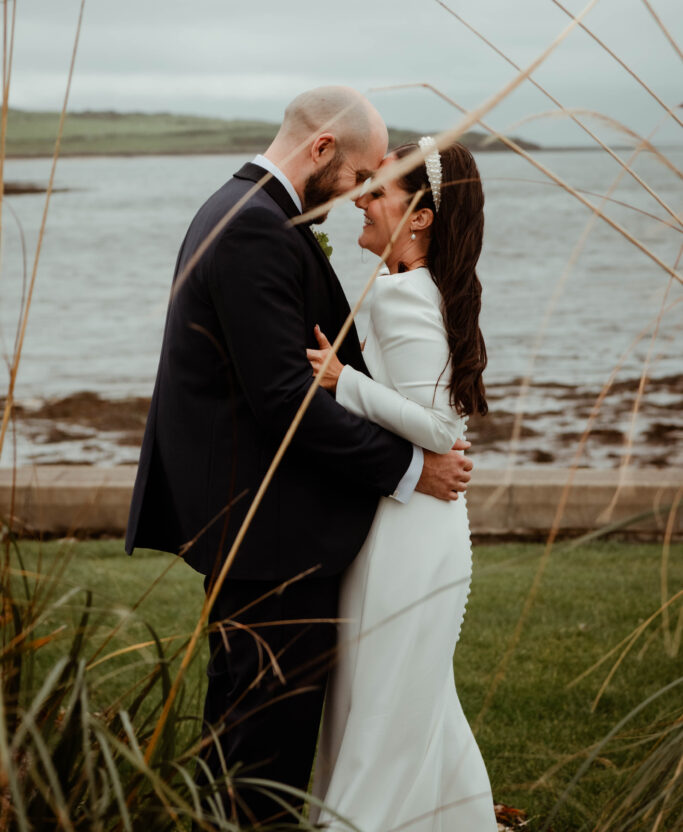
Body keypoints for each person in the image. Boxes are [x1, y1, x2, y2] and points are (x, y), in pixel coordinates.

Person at [124, 88, 474, 825]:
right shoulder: (254, 226)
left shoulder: (239, 211)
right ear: (321, 151)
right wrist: (411, 469)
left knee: (251, 740)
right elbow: (284, 396)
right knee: (263, 751)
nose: (355, 197)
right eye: (354, 178)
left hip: (261, 530)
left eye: (371, 189)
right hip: (270, 534)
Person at [307, 138, 498, 831]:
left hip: (409, 536)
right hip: (412, 525)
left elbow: (439, 429)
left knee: (385, 707)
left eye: (379, 190)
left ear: (419, 217)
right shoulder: (412, 286)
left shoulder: (399, 292)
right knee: (411, 706)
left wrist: (341, 381)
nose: (361, 198)